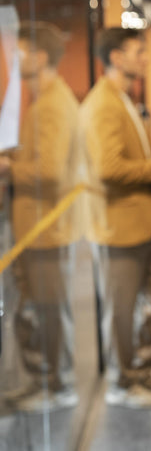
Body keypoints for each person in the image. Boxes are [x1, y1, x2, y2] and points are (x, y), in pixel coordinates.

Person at [81, 27, 151, 409]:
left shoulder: (122, 99)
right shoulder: (102, 104)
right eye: (138, 51)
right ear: (116, 57)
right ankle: (123, 383)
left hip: (142, 222)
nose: (145, 58)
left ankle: (141, 371)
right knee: (121, 310)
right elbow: (107, 168)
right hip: (117, 228)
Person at [0, 22, 81, 412]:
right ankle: (45, 382)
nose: (15, 58)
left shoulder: (52, 104)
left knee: (47, 311)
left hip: (45, 229)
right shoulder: (43, 99)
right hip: (37, 228)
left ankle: (56, 387)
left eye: (22, 51)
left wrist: (6, 166)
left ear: (42, 56)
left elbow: (49, 172)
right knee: (40, 309)